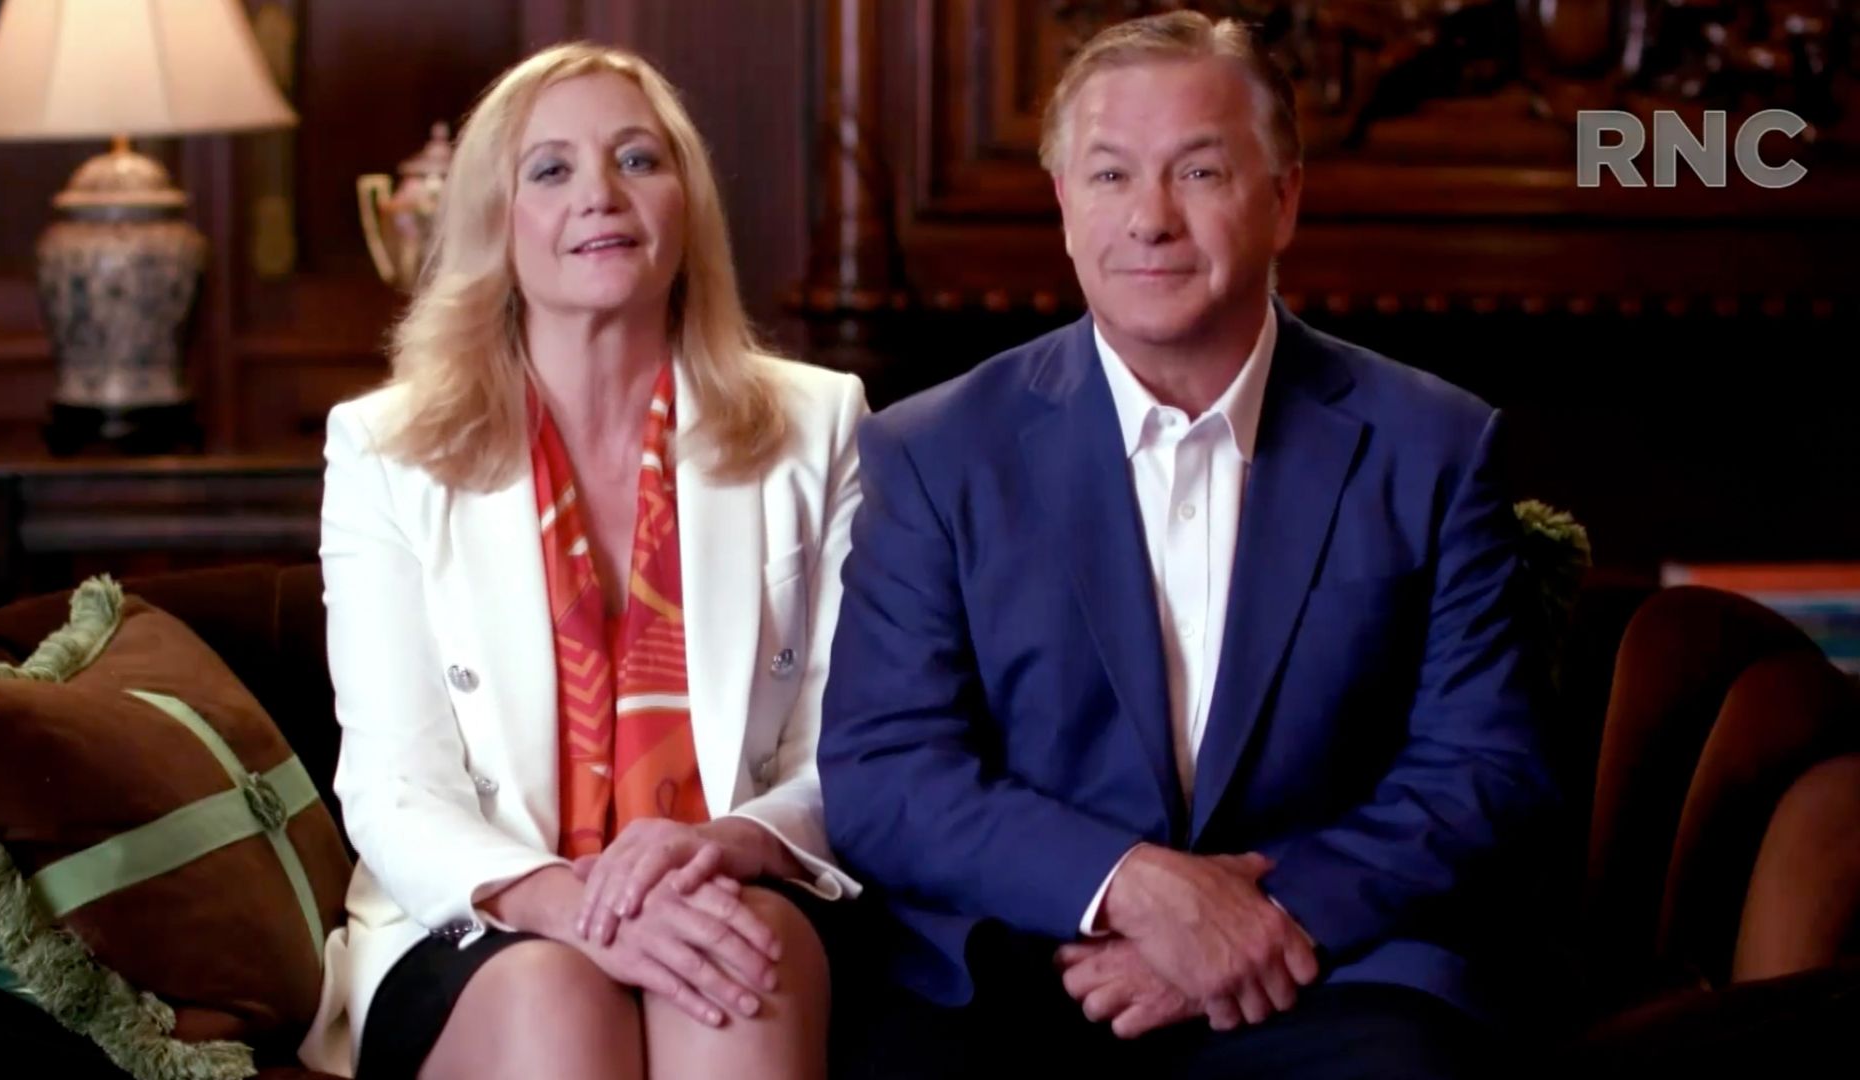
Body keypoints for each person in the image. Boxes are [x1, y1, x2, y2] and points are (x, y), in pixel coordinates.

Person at [819, 12, 1557, 1079]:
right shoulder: (933, 453)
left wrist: (1263, 920)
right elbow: (889, 774)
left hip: (1326, 976)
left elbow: (1482, 769)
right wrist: (1130, 888)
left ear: (1284, 197)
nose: (1151, 220)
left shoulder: (1432, 446)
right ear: (1066, 207)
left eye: (1200, 172)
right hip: (1025, 971)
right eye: (1111, 177)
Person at [300, 40, 866, 1080]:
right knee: (557, 994)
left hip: (736, 882)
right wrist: (577, 908)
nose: (600, 195)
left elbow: (855, 748)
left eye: (638, 160)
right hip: (476, 914)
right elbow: (393, 789)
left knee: (732, 966)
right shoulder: (385, 451)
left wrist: (723, 848)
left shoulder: (819, 423)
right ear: (492, 221)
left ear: (685, 203)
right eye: (550, 170)